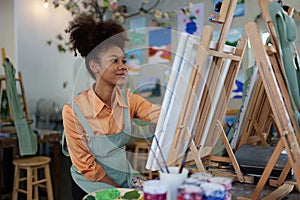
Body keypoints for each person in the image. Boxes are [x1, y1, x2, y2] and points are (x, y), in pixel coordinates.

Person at [62, 14, 161, 200]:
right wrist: (121, 192)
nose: (123, 66)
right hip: (90, 185)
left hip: (124, 178)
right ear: (94, 66)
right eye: (114, 61)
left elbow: (162, 115)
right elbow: (86, 167)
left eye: (124, 60)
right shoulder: (74, 111)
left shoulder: (129, 100)